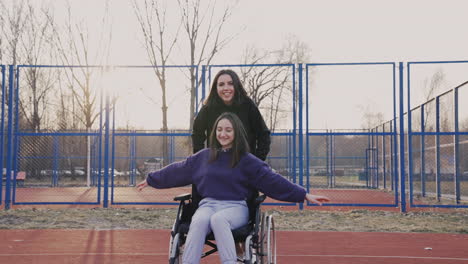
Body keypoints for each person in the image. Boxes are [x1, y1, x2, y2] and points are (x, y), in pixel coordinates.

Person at [137, 112, 330, 264]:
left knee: (219, 219)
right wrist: (152, 179)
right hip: (207, 205)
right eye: (219, 129)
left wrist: (303, 194)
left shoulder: (247, 161)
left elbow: (272, 180)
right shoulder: (204, 157)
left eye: (228, 130)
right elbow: (178, 170)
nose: (223, 134)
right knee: (199, 220)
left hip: (236, 207)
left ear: (236, 132)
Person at [192, 69, 271, 161]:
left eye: (230, 83)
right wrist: (202, 161)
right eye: (221, 84)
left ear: (236, 85)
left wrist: (257, 161)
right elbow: (197, 134)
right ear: (215, 88)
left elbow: (263, 134)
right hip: (218, 164)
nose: (226, 88)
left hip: (243, 165)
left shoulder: (248, 105)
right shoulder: (208, 108)